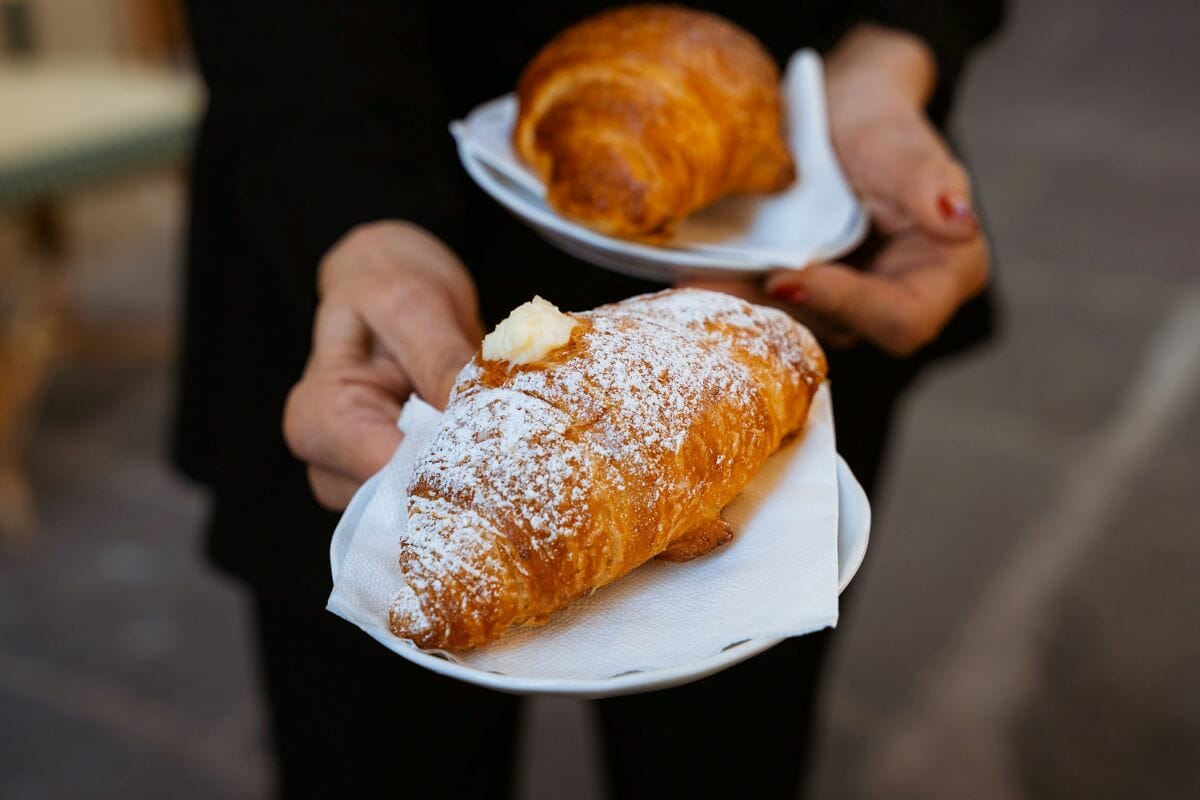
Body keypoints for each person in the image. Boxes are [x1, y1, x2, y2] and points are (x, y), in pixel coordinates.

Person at [177, 2, 1002, 797]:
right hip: (359, 229)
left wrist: (890, 52)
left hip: (793, 236)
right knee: (376, 757)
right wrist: (356, 217)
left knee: (723, 755)